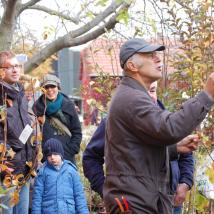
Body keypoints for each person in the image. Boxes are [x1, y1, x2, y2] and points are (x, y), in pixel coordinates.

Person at [103, 38, 214, 213]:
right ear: (132, 66)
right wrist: (207, 95)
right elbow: (170, 127)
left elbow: (134, 149)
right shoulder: (132, 98)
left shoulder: (131, 95)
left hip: (140, 199)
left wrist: (173, 147)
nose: (158, 59)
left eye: (157, 54)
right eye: (150, 55)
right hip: (134, 203)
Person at [82, 82, 194, 214]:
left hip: (171, 202)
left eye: (152, 90)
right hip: (133, 206)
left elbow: (186, 154)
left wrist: (185, 183)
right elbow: (90, 158)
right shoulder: (114, 122)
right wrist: (106, 191)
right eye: (142, 92)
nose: (148, 96)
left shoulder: (169, 121)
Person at [0, 51, 36, 214]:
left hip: (25, 169)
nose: (15, 70)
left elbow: (26, 131)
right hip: (6, 173)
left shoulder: (21, 95)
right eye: (10, 67)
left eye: (17, 66)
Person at [33, 74, 82, 164]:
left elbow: (77, 131)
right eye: (46, 87)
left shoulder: (68, 105)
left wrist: (71, 149)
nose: (50, 90)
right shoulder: (37, 108)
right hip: (48, 157)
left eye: (52, 86)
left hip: (66, 156)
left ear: (58, 87)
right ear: (42, 90)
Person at [32, 138, 89, 214]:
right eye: (49, 155)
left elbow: (79, 195)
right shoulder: (43, 172)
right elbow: (37, 198)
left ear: (61, 154)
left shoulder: (71, 170)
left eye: (55, 154)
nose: (52, 157)